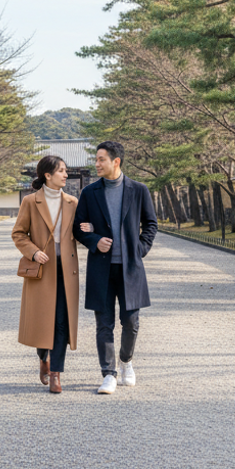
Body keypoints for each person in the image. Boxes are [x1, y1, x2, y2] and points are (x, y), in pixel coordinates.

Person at [73, 141, 157, 395]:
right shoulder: (90, 192)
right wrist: (95, 240)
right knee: (104, 323)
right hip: (101, 267)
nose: (96, 164)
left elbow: (150, 224)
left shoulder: (138, 190)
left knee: (131, 322)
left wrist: (138, 250)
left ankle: (126, 362)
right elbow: (78, 227)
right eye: (96, 159)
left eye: (101, 159)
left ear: (116, 161)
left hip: (130, 268)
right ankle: (108, 373)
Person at [11, 155, 80, 394]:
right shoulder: (31, 201)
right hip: (42, 270)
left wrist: (88, 230)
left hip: (66, 271)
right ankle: (43, 357)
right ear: (47, 175)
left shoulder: (73, 202)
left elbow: (78, 234)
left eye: (66, 170)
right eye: (61, 171)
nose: (66, 174)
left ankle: (55, 374)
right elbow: (19, 234)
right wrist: (33, 252)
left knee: (61, 321)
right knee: (43, 321)